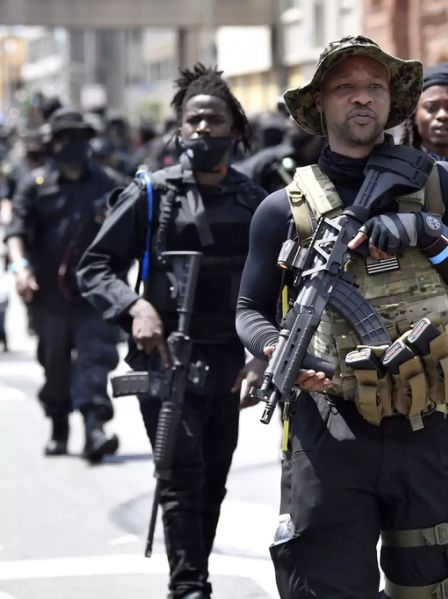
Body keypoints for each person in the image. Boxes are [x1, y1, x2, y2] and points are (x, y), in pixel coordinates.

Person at [235, 36, 448, 598]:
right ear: (320, 105)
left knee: (427, 587)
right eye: (345, 88)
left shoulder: (439, 186)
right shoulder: (283, 207)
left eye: (374, 87)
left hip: (427, 420)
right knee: (328, 585)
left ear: (390, 101)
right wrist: (274, 348)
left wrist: (429, 235)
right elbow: (248, 309)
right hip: (329, 424)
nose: (362, 99)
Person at [77, 64, 268, 598]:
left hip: (230, 362)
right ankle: (189, 587)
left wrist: (260, 354)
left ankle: (193, 576)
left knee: (212, 481)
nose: (204, 130)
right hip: (166, 361)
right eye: (194, 121)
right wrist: (135, 307)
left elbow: (280, 283)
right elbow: (94, 267)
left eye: (215, 120)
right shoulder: (151, 195)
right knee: (181, 480)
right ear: (179, 129)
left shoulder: (256, 202)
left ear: (235, 128)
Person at [4, 108, 122, 462]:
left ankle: (94, 429)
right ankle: (59, 424)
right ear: (53, 143)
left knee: (94, 358)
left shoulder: (107, 181)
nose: (73, 145)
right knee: (54, 361)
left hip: (96, 291)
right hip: (49, 295)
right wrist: (21, 269)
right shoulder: (35, 184)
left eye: (79, 137)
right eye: (65, 138)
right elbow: (16, 232)